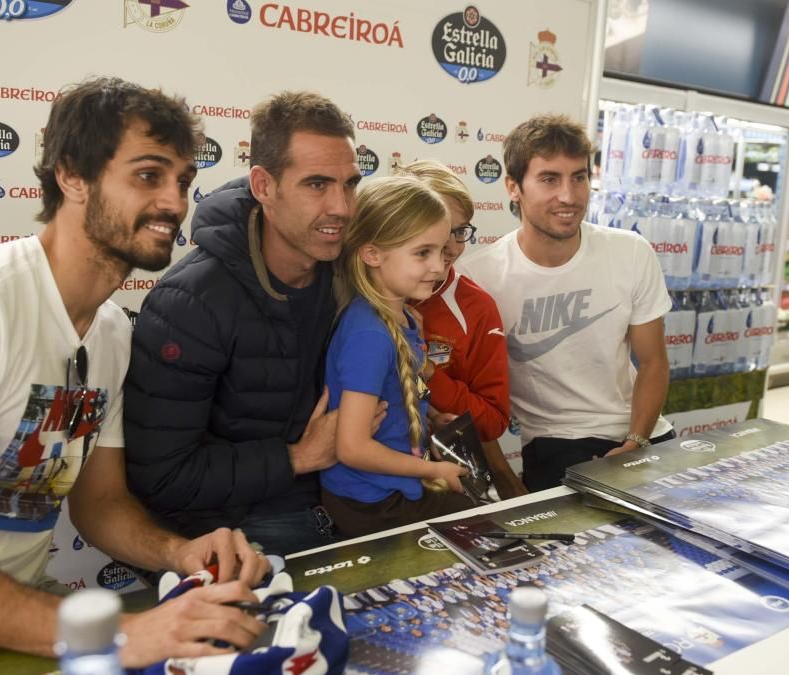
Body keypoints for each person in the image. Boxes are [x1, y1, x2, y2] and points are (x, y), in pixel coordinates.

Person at [0, 77, 270, 668]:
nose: (174, 202)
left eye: (183, 181)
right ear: (72, 176)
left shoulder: (111, 331)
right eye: (147, 175)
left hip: (11, 621)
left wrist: (179, 552)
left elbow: (101, 503)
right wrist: (119, 635)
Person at [125, 91, 381, 555]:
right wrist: (300, 457)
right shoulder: (189, 303)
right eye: (317, 184)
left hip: (344, 496)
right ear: (263, 187)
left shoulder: (352, 269)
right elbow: (161, 477)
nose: (341, 207)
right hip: (240, 523)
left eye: (349, 184)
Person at [457, 113, 674, 492]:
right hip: (556, 445)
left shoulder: (630, 251)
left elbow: (653, 361)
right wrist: (505, 481)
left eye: (579, 177)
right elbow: (470, 402)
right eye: (549, 179)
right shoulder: (479, 276)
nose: (568, 196)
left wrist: (636, 442)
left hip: (644, 433)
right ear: (513, 187)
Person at [320, 176, 473, 537]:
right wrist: (433, 471)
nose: (438, 267)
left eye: (440, 251)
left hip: (394, 490)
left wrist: (432, 414)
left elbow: (408, 383)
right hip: (371, 503)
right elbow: (352, 447)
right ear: (372, 253)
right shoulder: (369, 335)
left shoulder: (402, 319)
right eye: (422, 253)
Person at [399, 160, 527, 500]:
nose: (453, 247)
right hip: (363, 486)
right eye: (438, 230)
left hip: (445, 487)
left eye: (460, 231)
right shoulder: (356, 291)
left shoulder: (475, 307)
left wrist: (425, 368)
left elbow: (492, 421)